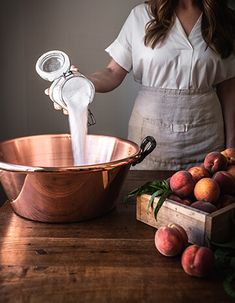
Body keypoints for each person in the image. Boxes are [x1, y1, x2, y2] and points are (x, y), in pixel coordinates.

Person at [47, 0, 235, 170]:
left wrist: (231, 147)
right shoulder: (141, 15)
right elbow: (113, 72)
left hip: (207, 142)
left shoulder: (226, 19)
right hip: (150, 141)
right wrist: (81, 83)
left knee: (207, 201)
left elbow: (229, 89)